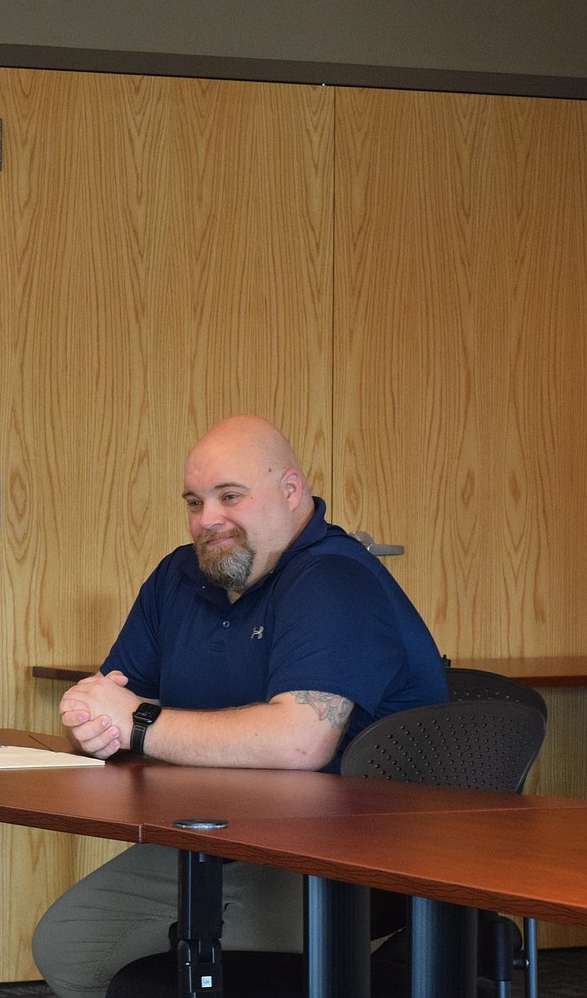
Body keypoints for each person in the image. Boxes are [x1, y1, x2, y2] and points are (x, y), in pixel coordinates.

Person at [31, 414, 448, 998]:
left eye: (230, 496)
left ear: (291, 490)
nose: (208, 520)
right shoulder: (178, 576)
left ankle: (382, 957)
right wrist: (93, 720)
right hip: (218, 835)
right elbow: (114, 699)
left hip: (343, 857)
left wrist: (139, 722)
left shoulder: (334, 577)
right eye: (194, 502)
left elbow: (300, 740)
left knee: (151, 971)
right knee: (70, 945)